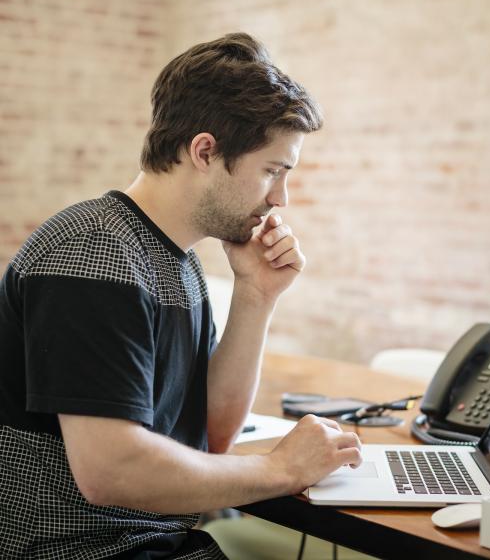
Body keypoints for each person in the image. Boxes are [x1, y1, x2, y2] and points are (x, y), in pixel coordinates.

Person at [0, 33, 362, 559]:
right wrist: (281, 469)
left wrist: (256, 295)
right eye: (272, 172)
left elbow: (210, 435)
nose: (280, 198)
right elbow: (111, 471)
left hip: (145, 542)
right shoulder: (93, 255)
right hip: (79, 550)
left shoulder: (176, 259)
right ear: (205, 151)